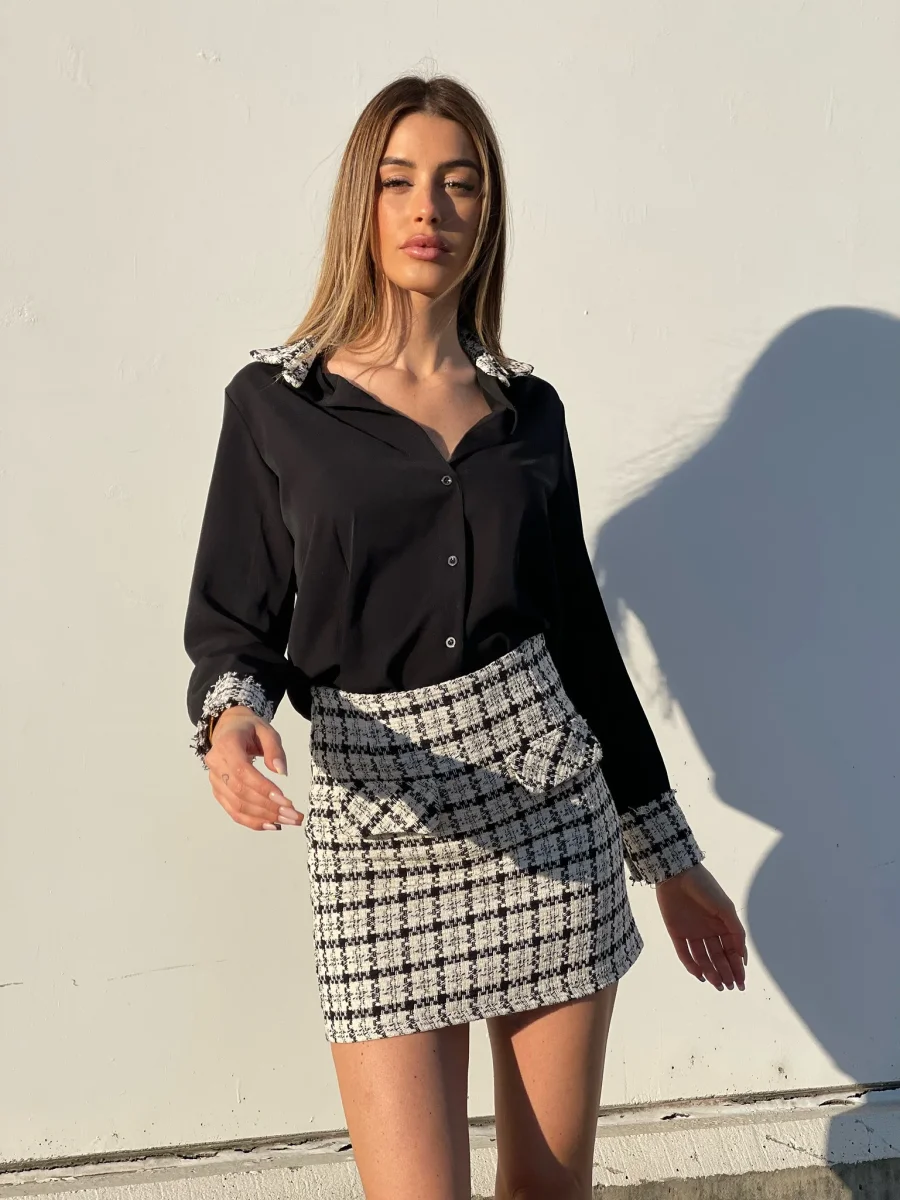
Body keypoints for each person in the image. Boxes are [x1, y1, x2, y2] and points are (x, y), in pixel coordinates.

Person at [183, 73, 748, 1200]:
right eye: (398, 182)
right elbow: (238, 620)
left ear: (488, 211)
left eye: (459, 183)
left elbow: (581, 642)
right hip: (379, 817)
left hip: (549, 808)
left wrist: (670, 859)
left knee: (547, 1192)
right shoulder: (275, 405)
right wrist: (230, 719)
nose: (428, 209)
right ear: (361, 203)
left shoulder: (527, 413)